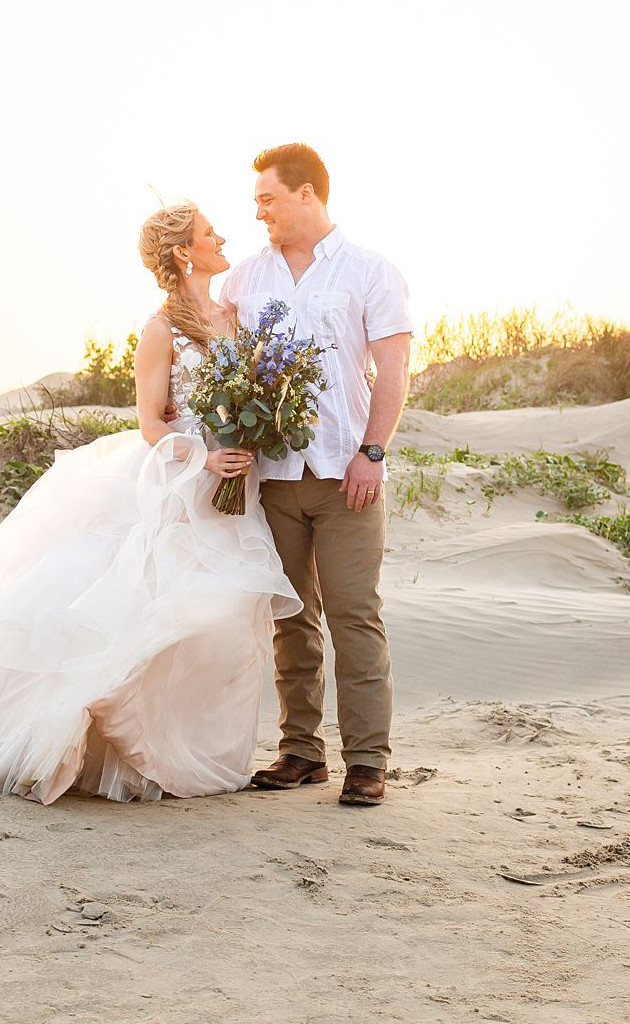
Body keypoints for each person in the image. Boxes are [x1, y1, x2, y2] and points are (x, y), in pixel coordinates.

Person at [0, 202, 301, 803]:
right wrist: (203, 457)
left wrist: (249, 436)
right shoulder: (160, 329)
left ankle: (182, 744)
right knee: (154, 604)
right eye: (209, 232)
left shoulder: (236, 317)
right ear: (185, 252)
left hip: (234, 488)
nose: (221, 237)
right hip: (180, 480)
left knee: (225, 614)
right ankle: (118, 732)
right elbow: (149, 423)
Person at [220, 143, 413, 806]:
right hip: (273, 477)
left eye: (268, 198)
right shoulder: (244, 280)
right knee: (291, 618)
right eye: (256, 202)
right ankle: (300, 750)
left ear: (308, 194)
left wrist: (373, 451)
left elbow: (394, 371)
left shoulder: (371, 272)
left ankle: (367, 759)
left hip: (345, 475)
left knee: (355, 616)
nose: (259, 212)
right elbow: (223, 367)